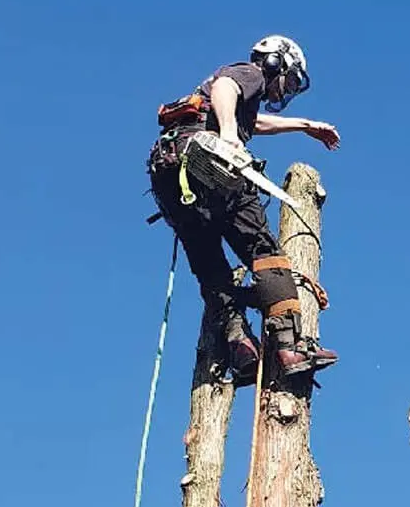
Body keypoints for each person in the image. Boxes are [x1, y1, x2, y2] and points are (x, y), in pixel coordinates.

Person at [146, 34, 341, 384]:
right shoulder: (249, 73)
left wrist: (304, 124)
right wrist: (229, 136)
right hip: (207, 162)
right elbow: (225, 87)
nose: (285, 89)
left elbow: (255, 121)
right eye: (289, 78)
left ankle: (240, 345)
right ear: (274, 62)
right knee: (265, 253)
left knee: (211, 268)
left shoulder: (241, 101)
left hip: (171, 176)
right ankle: (289, 345)